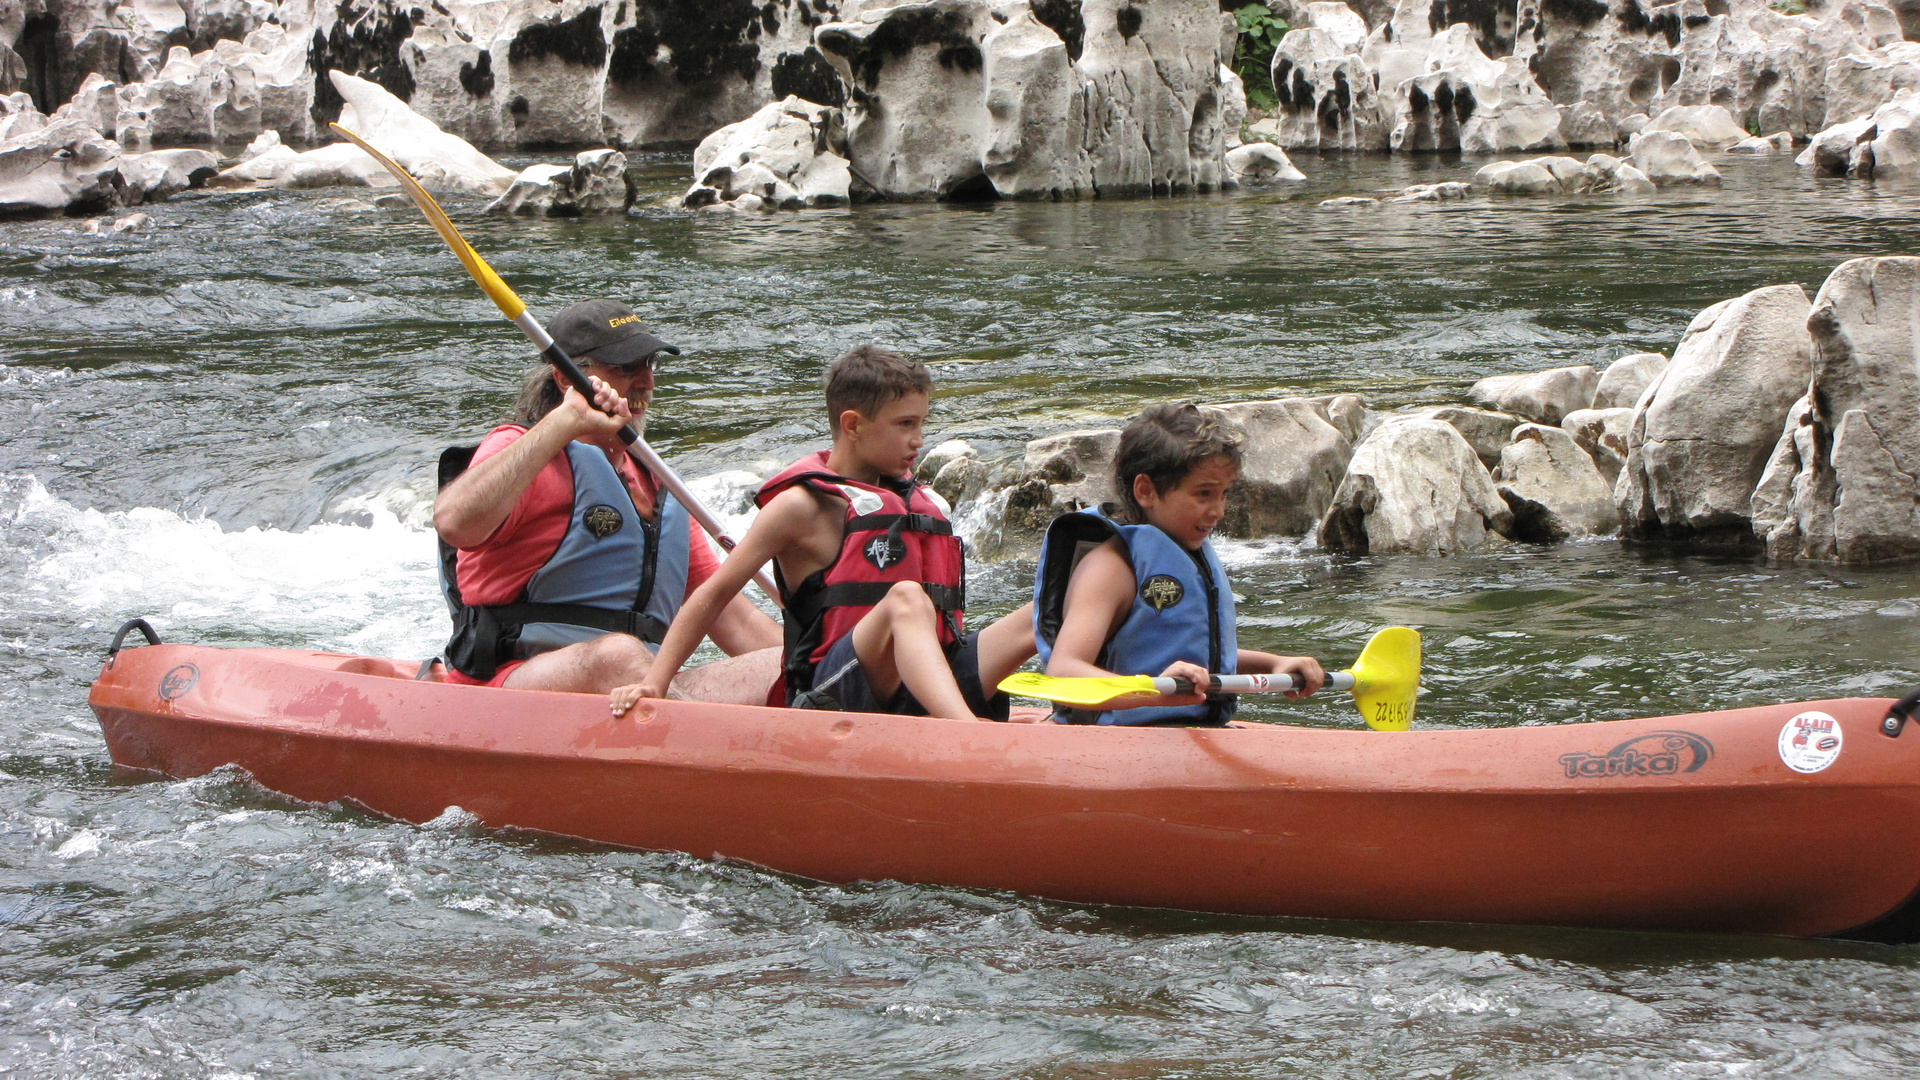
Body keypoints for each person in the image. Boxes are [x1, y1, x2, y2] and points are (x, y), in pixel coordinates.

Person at [613, 345, 1034, 720]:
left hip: (922, 685)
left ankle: (1079, 723)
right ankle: (968, 733)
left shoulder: (913, 499)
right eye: (905, 424)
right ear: (852, 425)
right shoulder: (800, 507)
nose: (918, 440)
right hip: (834, 694)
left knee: (1046, 607)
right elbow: (714, 594)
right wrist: (656, 681)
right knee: (907, 598)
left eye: (921, 423)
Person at [432, 298, 780, 699]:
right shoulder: (521, 450)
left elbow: (734, 621)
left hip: (639, 689)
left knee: (791, 663)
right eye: (625, 368)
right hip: (510, 683)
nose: (646, 383)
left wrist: (828, 657)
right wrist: (565, 420)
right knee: (617, 657)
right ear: (567, 378)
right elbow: (455, 522)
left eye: (650, 365)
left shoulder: (659, 482)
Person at [1031, 402, 1326, 725]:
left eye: (1224, 494)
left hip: (1184, 734)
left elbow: (1190, 653)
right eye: (1204, 494)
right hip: (1112, 742)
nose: (1219, 510)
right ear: (1146, 490)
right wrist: (1153, 692)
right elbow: (1063, 673)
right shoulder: (1110, 568)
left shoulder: (1186, 553)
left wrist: (1273, 664)